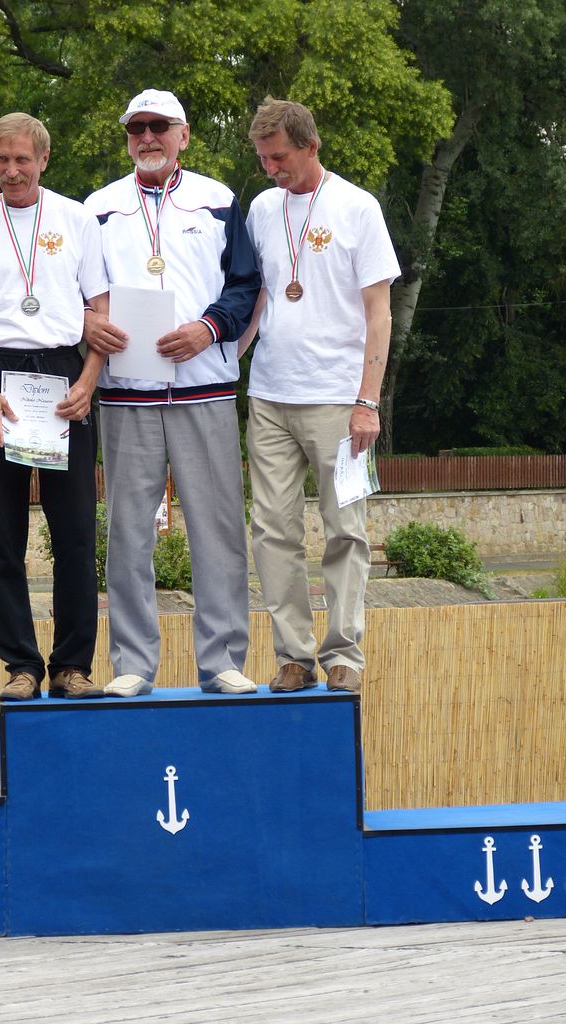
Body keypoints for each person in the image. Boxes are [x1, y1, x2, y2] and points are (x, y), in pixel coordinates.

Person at [82, 89, 262, 696]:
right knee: (128, 533)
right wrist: (87, 322)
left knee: (218, 528)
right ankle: (133, 664)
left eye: (160, 126)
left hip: (204, 385)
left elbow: (246, 285)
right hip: (126, 389)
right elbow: (76, 288)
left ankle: (222, 661)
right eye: (137, 128)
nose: (148, 137)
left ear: (184, 134)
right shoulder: (98, 208)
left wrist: (207, 328)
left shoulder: (218, 200)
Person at [0, 112, 109, 701]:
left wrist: (88, 381)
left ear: (43, 160)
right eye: (2, 159)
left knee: (75, 531)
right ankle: (21, 667)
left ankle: (72, 666)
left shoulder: (77, 220)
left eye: (22, 159)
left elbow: (101, 311)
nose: (12, 170)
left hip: (62, 376)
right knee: (3, 534)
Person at [241, 97, 401, 694]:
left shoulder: (358, 207)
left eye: (279, 157)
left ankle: (344, 655)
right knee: (272, 530)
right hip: (270, 395)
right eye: (263, 159)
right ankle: (293, 656)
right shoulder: (262, 208)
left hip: (339, 399)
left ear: (311, 146)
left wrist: (369, 400)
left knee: (345, 529)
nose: (270, 169)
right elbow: (258, 297)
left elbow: (379, 312)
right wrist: (226, 363)